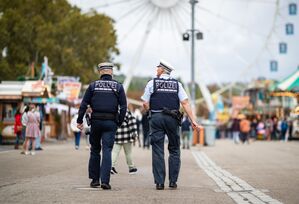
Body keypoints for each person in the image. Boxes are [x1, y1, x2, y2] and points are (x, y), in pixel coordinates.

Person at [141, 60, 202, 190]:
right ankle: (173, 181)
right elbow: (185, 103)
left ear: (162, 70)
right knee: (174, 149)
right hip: (172, 119)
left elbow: (145, 103)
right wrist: (193, 121)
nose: (156, 69)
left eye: (158, 68)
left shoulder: (152, 83)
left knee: (157, 149)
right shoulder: (177, 85)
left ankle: (159, 182)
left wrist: (150, 112)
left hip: (156, 118)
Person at [76, 62, 127, 190]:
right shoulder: (118, 87)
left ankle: (94, 180)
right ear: (111, 72)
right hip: (111, 122)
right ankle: (105, 181)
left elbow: (83, 104)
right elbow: (124, 107)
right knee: (107, 150)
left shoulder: (93, 86)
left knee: (95, 150)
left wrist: (79, 120)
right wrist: (119, 122)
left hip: (96, 122)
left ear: (100, 72)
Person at [111, 109, 138, 175]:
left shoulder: (113, 111)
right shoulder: (127, 111)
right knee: (128, 153)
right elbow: (132, 123)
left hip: (117, 136)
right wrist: (135, 135)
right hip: (127, 136)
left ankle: (111, 166)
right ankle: (131, 168)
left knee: (114, 152)